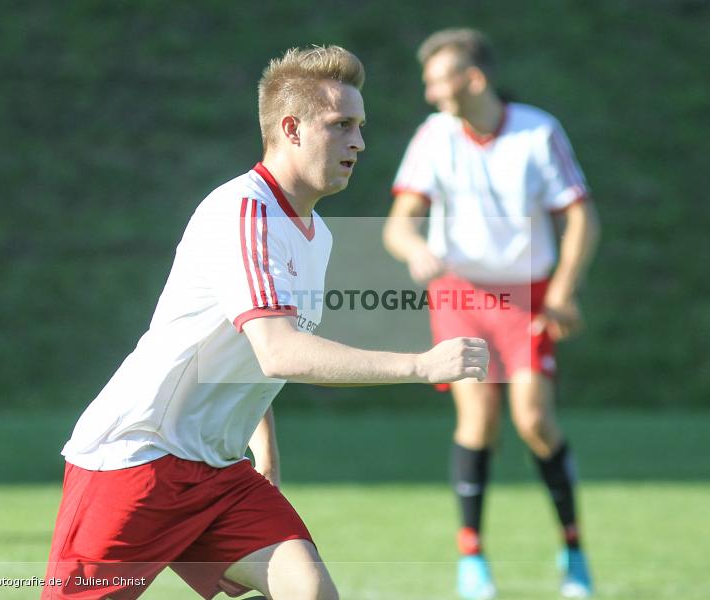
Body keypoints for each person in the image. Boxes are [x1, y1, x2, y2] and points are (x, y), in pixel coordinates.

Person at [42, 45, 489, 600]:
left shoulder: (313, 232)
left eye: (361, 126)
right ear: (291, 128)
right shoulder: (245, 211)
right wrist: (422, 364)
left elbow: (250, 352)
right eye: (341, 125)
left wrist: (264, 456)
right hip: (136, 462)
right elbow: (280, 351)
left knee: (310, 592)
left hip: (218, 475)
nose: (359, 142)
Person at [383, 29, 601, 599]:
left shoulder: (537, 131)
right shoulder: (434, 136)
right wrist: (415, 249)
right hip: (459, 295)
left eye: (439, 80)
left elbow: (580, 218)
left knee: (533, 420)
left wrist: (563, 290)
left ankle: (573, 550)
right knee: (477, 418)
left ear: (473, 78)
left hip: (527, 296)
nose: (431, 94)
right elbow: (398, 224)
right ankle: (472, 561)